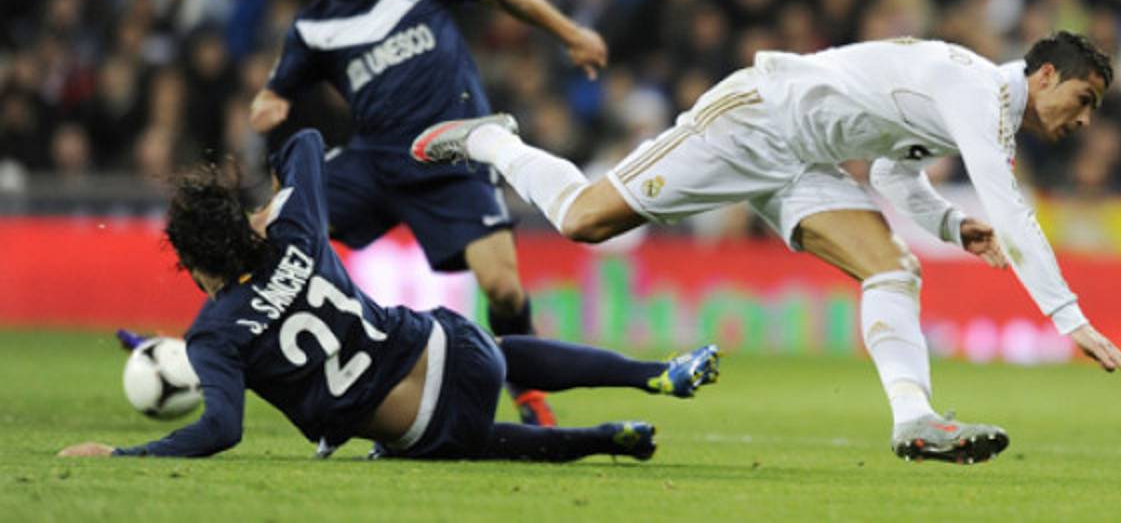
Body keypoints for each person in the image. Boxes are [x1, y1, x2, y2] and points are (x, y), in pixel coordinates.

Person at [412, 31, 1121, 465]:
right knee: (584, 219)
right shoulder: (977, 92)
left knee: (895, 270)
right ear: (1046, 75)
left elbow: (894, 172)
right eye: (1083, 100)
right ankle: (493, 141)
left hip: (803, 163)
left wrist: (951, 226)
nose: (1084, 120)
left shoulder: (982, 105)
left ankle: (914, 420)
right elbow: (1009, 205)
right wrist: (1069, 317)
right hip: (755, 120)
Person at [58, 129, 719, 461]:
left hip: (424, 423)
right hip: (453, 347)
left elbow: (221, 426)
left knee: (475, 442)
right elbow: (305, 142)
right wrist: (265, 213)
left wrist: (123, 454)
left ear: (194, 265)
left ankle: (604, 439)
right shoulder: (294, 231)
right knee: (501, 350)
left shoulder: (214, 333)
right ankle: (653, 374)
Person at [248, 0, 609, 426]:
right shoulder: (313, 27)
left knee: (504, 288)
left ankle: (528, 393)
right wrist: (269, 100)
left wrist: (571, 33)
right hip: (374, 163)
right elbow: (276, 87)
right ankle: (212, 348)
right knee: (267, 229)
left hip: (452, 154)